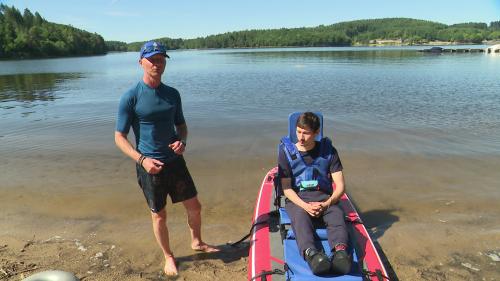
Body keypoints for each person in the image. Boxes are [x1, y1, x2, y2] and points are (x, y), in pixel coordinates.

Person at [114, 41, 219, 276]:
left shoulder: (172, 94)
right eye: (152, 59)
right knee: (159, 215)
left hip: (175, 162)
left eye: (161, 59)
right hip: (150, 166)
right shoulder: (130, 97)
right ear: (141, 62)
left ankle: (197, 241)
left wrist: (182, 141)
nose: (157, 64)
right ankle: (169, 256)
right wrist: (142, 160)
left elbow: (181, 126)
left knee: (195, 207)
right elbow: (119, 137)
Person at [278, 112, 351, 275]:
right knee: (300, 218)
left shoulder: (329, 151)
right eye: (298, 131)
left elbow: (340, 187)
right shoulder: (286, 152)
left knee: (336, 215)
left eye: (306, 133)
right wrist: (305, 206)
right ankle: (311, 254)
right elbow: (287, 188)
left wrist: (326, 204)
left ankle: (340, 252)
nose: (301, 137)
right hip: (298, 200)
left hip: (324, 198)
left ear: (317, 132)